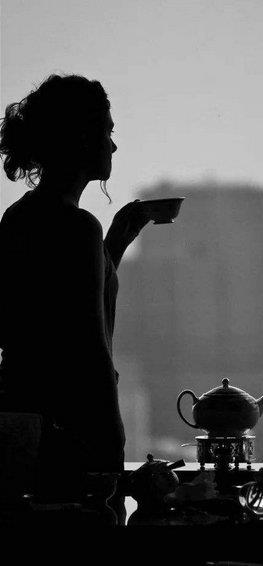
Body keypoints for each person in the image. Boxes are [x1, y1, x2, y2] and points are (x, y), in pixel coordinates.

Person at [0, 74, 151, 520]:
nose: (113, 146)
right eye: (107, 131)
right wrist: (113, 436)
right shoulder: (77, 227)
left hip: (26, 424)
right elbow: (89, 345)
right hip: (73, 430)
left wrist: (114, 245)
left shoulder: (19, 217)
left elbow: (50, 311)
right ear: (81, 138)